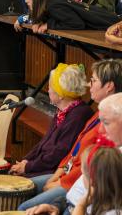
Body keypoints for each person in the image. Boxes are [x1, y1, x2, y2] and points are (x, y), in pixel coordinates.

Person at [18, 59, 122, 211]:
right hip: (69, 176)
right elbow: (74, 150)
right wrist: (57, 175)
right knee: (22, 193)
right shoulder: (98, 113)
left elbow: (85, 164)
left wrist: (59, 182)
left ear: (109, 86)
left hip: (74, 180)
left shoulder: (107, 118)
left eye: (93, 80)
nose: (88, 85)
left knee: (24, 207)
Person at [9, 63, 92, 177]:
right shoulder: (63, 111)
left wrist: (28, 167)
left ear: (61, 94)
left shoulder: (78, 115)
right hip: (42, 167)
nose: (48, 90)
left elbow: (59, 153)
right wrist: (26, 161)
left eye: (51, 87)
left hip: (53, 173)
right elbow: (44, 143)